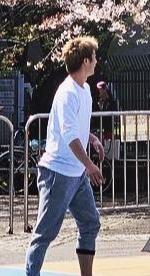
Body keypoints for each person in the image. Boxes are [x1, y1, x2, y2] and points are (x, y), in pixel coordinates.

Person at [26, 37, 105, 276]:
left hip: (76, 173)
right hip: (58, 172)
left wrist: (91, 138)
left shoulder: (85, 90)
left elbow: (75, 127)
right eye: (94, 57)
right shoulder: (68, 92)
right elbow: (69, 136)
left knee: (90, 223)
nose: (97, 61)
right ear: (85, 61)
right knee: (45, 232)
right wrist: (90, 165)